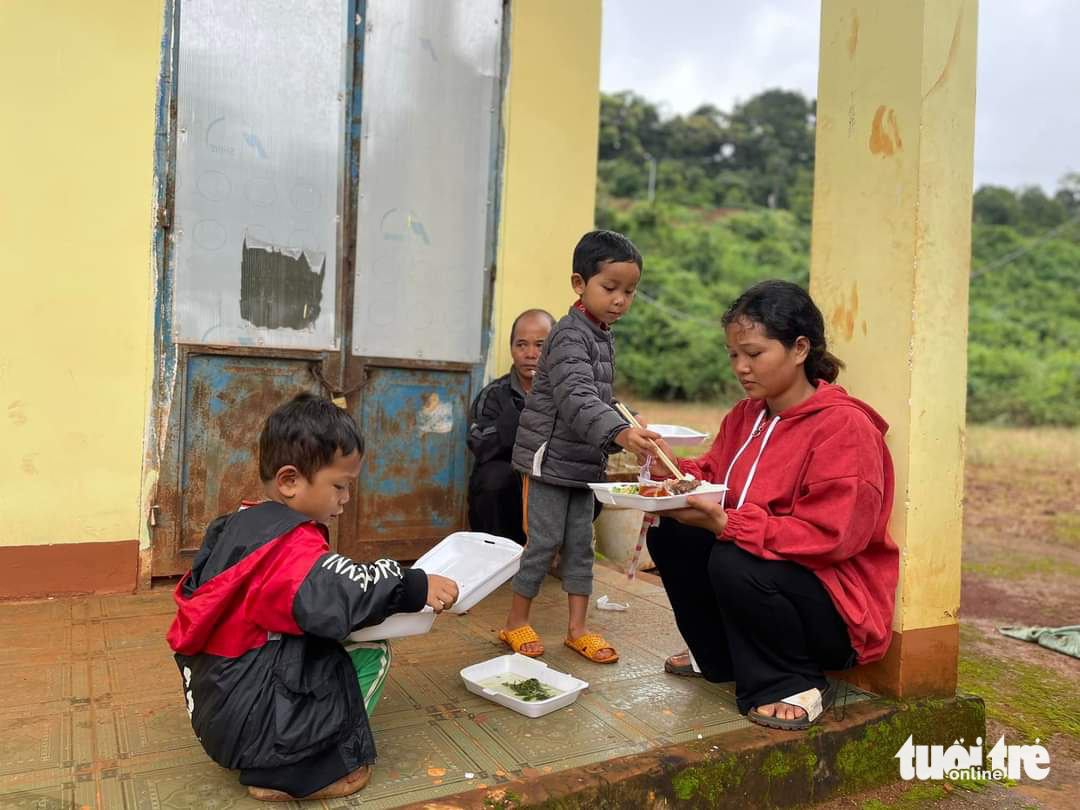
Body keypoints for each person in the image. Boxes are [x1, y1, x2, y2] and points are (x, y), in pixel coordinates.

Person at [166, 393, 460, 801]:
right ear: (289, 481)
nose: (345, 499)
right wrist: (413, 584)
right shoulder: (287, 547)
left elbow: (318, 584)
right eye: (339, 486)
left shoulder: (241, 522)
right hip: (255, 726)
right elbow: (342, 593)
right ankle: (306, 770)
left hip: (219, 709)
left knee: (319, 637)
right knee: (371, 650)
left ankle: (278, 760)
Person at [645, 280, 898, 731]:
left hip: (837, 613)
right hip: (773, 583)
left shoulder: (844, 428)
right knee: (676, 533)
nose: (741, 367)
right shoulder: (747, 415)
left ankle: (793, 681)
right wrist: (670, 470)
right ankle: (717, 656)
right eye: (733, 355)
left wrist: (729, 523)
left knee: (734, 554)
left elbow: (832, 537)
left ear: (800, 348)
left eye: (754, 354)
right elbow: (713, 475)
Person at [499, 230, 661, 663]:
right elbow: (576, 397)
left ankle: (577, 629)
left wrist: (630, 418)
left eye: (629, 291)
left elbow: (599, 397)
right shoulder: (570, 334)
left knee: (580, 546)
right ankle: (515, 622)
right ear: (579, 283)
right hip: (548, 460)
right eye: (610, 288)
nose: (620, 300)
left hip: (584, 462)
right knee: (543, 542)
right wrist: (621, 434)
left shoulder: (601, 334)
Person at [467, 309, 555, 543]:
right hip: (510, 487)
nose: (531, 354)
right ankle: (500, 553)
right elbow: (478, 441)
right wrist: (518, 418)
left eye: (540, 345)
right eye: (522, 345)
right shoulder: (494, 395)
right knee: (493, 478)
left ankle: (559, 551)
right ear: (511, 349)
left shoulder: (568, 392)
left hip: (554, 478)